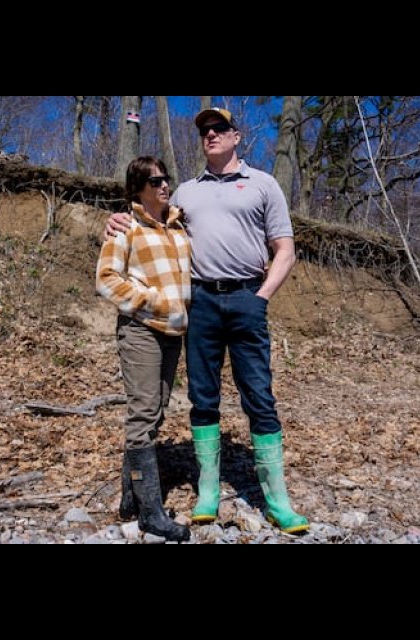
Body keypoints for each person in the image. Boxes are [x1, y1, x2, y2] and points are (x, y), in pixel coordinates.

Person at [106, 108, 308, 533]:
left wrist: (261, 297)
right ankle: (209, 491)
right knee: (203, 397)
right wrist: (117, 217)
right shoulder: (185, 192)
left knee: (259, 396)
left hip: (247, 297)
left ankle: (277, 500)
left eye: (219, 128)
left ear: (236, 135)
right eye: (204, 130)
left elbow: (285, 250)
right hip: (200, 302)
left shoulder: (263, 184)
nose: (210, 134)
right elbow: (151, 218)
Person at [96, 156, 190, 542]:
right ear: (137, 189)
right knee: (144, 413)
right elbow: (106, 279)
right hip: (141, 330)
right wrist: (153, 301)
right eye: (154, 181)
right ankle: (151, 512)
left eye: (166, 179)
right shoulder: (126, 227)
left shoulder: (179, 227)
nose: (164, 186)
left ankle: (129, 499)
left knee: (157, 409)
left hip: (173, 333)